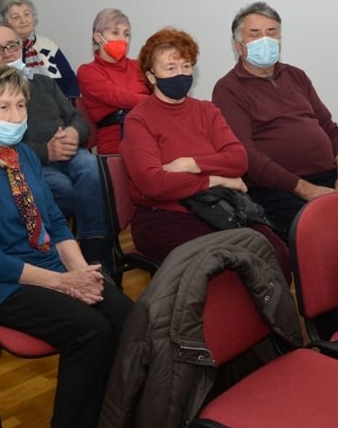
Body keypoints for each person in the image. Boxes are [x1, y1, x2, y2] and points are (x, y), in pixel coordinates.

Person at [0, 58, 132, 428]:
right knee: (89, 331)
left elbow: (55, 223)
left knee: (126, 316)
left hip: (48, 265)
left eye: (20, 106)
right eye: (3, 107)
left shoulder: (25, 156)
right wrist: (63, 283)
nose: (16, 117)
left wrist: (83, 274)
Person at [121, 27, 291, 277]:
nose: (180, 74)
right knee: (230, 262)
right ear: (151, 76)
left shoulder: (207, 111)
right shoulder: (139, 120)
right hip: (166, 216)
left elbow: (238, 160)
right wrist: (219, 179)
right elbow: (154, 183)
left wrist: (191, 164)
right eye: (170, 68)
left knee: (277, 253)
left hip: (220, 207)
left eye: (186, 66)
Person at [212, 1, 338, 239]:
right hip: (278, 189)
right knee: (324, 233)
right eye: (255, 34)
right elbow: (247, 155)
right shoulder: (228, 89)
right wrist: (306, 190)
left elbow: (331, 129)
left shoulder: (296, 76)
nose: (265, 40)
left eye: (271, 32)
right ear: (239, 45)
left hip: (331, 176)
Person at [0, 24, 114, 278]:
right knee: (63, 188)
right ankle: (61, 254)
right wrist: (45, 151)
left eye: (11, 46)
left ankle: (94, 248)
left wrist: (74, 132)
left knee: (92, 167)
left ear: (21, 47)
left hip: (69, 152)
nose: (7, 54)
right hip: (30, 163)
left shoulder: (42, 82)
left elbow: (77, 119)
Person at [76, 8, 149, 155]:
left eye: (126, 34)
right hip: (117, 142)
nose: (122, 39)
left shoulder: (139, 66)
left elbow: (164, 90)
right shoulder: (87, 71)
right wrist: (158, 102)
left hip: (151, 132)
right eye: (115, 33)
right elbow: (118, 96)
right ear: (98, 37)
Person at [0, 0, 80, 99]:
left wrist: (68, 103)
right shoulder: (6, 51)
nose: (23, 20)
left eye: (26, 14)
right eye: (16, 17)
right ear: (6, 23)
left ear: (33, 17)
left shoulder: (47, 44)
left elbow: (69, 79)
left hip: (58, 103)